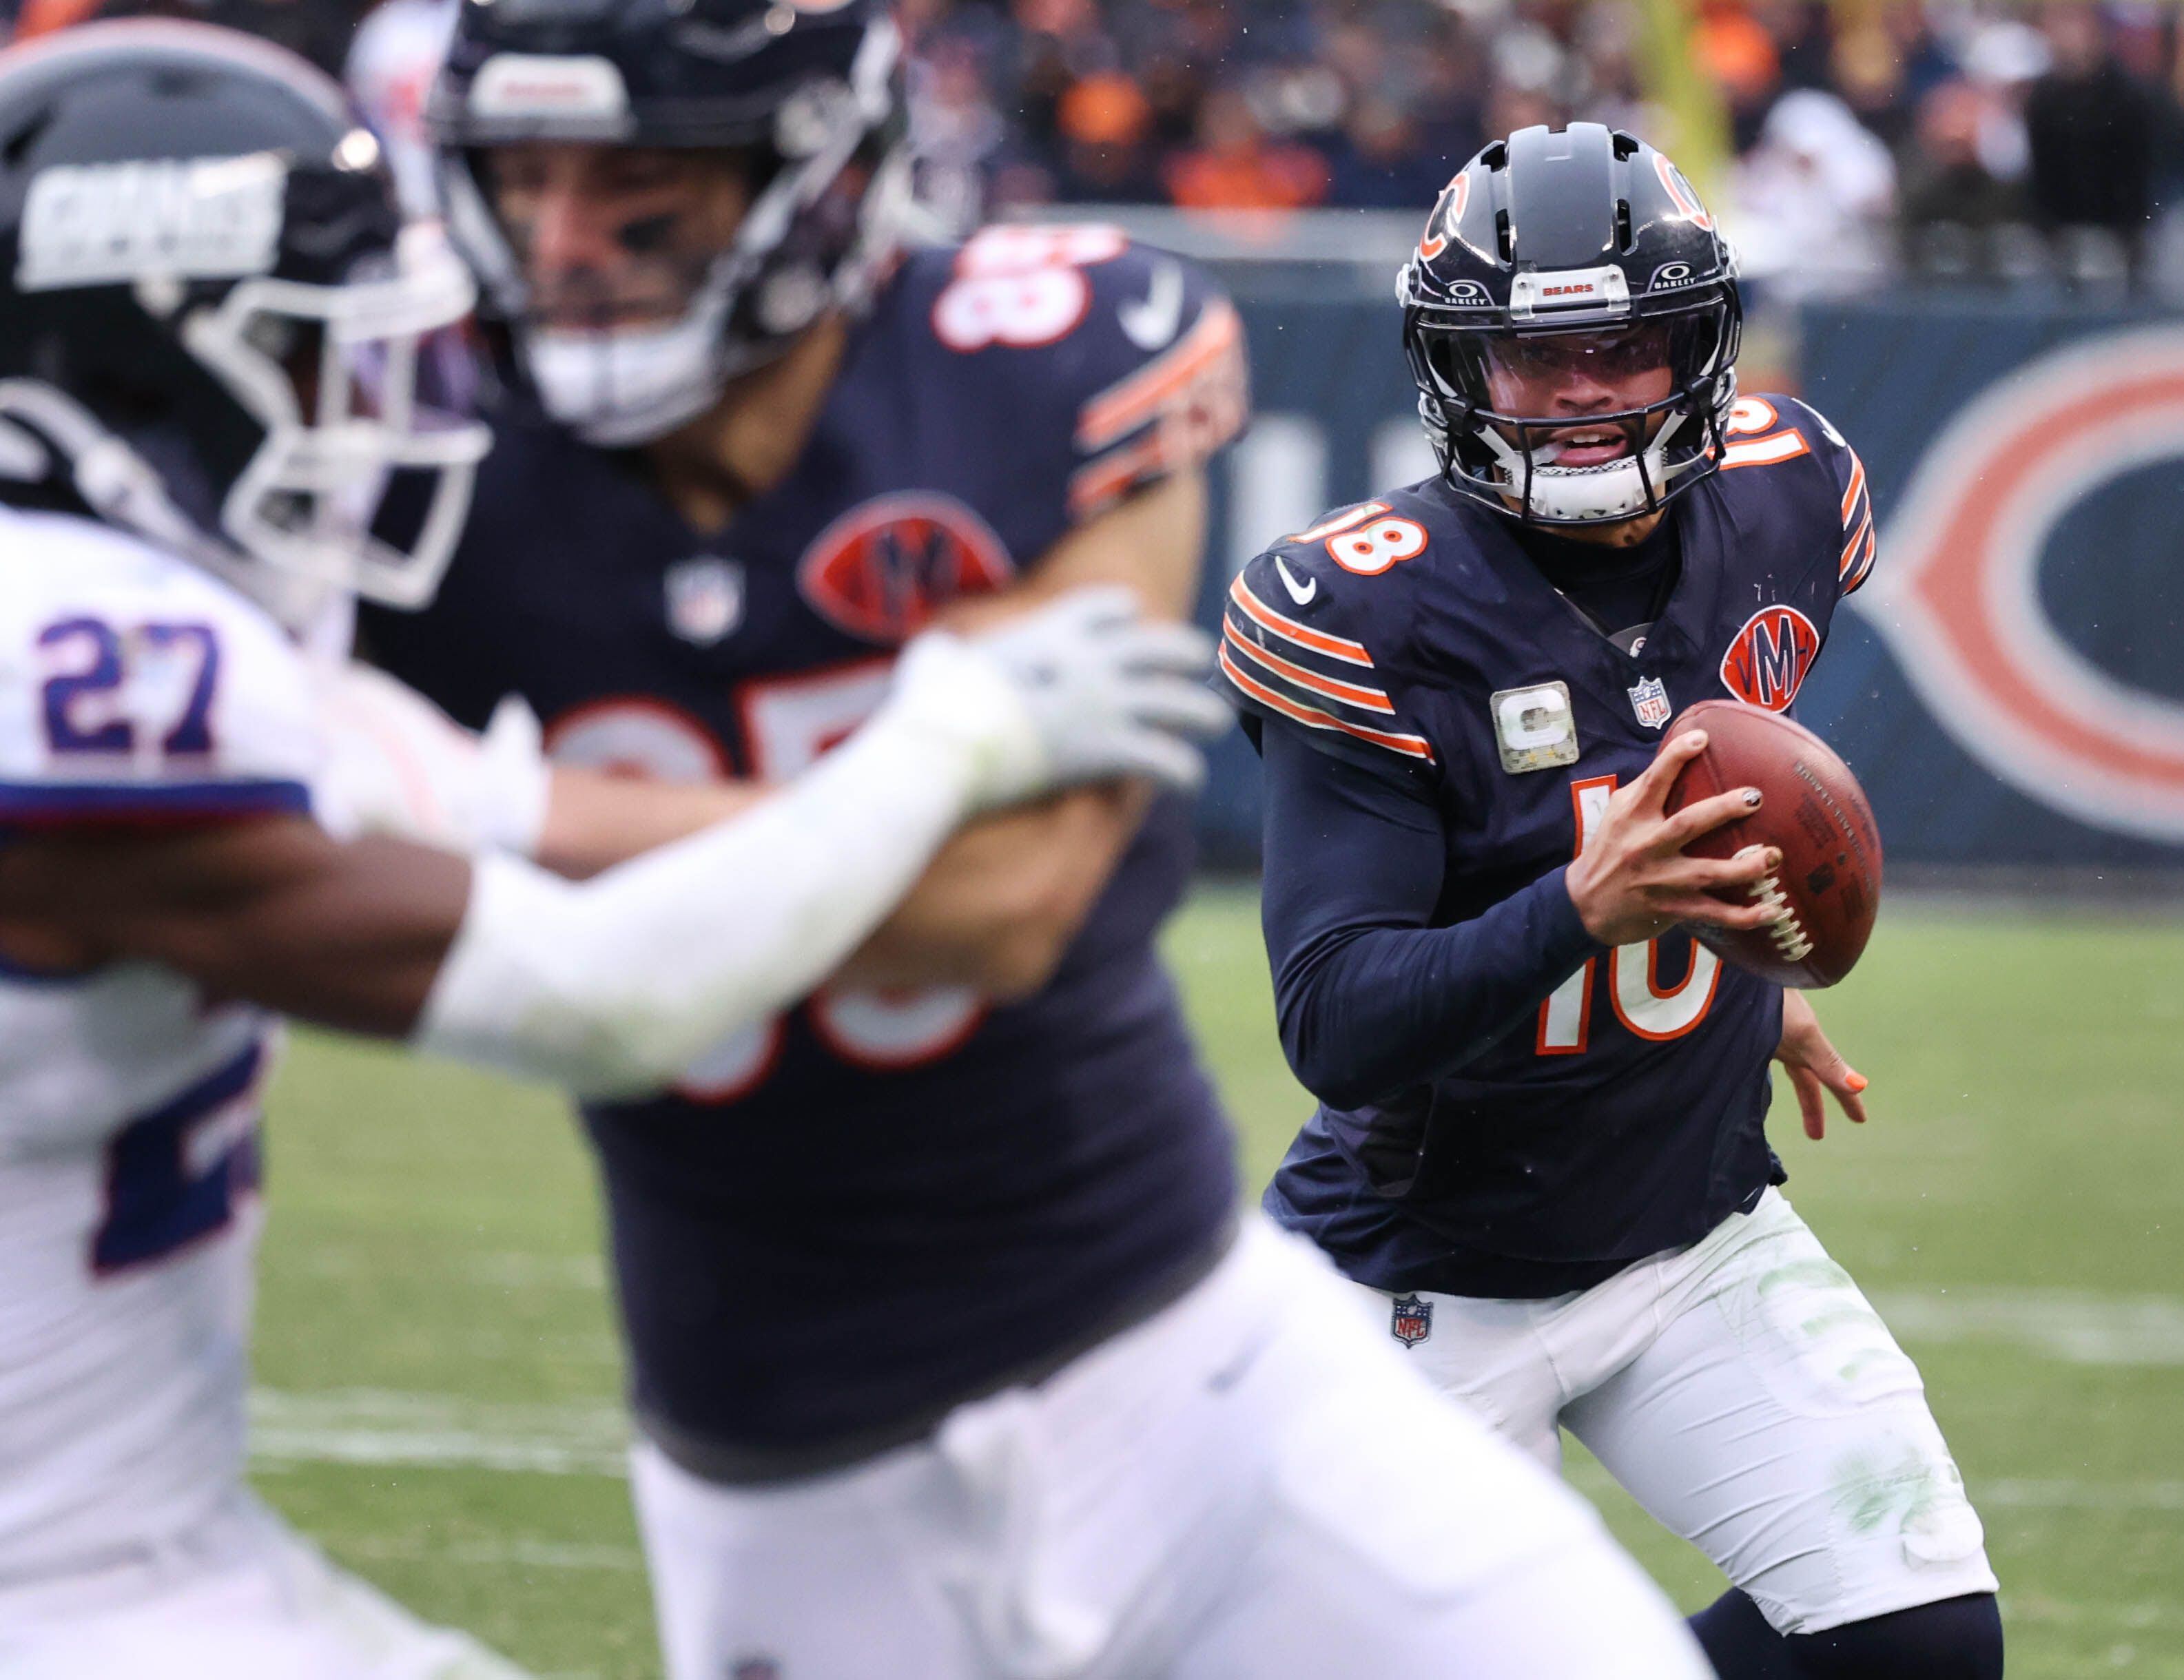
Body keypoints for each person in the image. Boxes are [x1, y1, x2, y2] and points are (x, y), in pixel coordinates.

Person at [362, 3, 1717, 1675]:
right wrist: (921, 765)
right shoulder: (421, 448)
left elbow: (1005, 895)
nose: (566, 244)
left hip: (1177, 1363)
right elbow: (273, 839)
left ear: (813, 173)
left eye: (642, 181)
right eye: (527, 180)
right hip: (789, 1464)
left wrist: (493, 811)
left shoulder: (1047, 352)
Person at [0, 21, 1227, 1679]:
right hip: (83, 1595)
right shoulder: (94, 664)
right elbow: (601, 995)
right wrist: (949, 740)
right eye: (306, 357)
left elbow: (515, 808)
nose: (358, 421)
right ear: (144, 360)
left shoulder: (122, 645)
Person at [1218, 122, 2006, 1680]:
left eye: (1626, 344)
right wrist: (1586, 912)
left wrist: (1740, 965)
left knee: (1918, 1647)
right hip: (1409, 1284)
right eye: (1534, 356)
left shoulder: (1784, 500)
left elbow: (1668, 758)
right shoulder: (1369, 610)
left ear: (1698, 344)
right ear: (1458, 371)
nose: (1584, 392)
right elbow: (1337, 1021)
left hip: (1684, 1229)